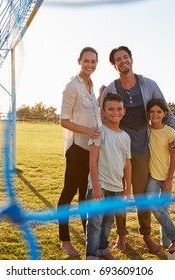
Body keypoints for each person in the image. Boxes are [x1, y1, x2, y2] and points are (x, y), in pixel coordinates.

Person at [99, 46, 175, 254]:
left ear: (131, 59)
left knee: (142, 196)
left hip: (141, 151)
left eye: (125, 57)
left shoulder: (149, 85)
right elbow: (100, 116)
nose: (123, 61)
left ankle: (146, 236)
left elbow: (167, 113)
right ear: (114, 65)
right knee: (118, 195)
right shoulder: (111, 87)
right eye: (118, 59)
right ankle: (121, 236)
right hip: (116, 151)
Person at [58, 47, 102, 257]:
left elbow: (92, 114)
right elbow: (63, 121)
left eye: (93, 62)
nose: (90, 65)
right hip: (76, 148)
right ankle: (65, 240)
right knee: (68, 192)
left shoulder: (91, 86)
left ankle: (87, 234)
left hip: (91, 150)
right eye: (86, 61)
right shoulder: (71, 86)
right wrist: (86, 131)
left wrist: (100, 97)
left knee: (85, 195)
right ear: (79, 61)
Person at [86, 93, 131, 260]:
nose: (115, 112)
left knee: (107, 222)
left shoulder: (125, 137)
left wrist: (128, 187)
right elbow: (92, 160)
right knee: (95, 222)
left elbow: (127, 163)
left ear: (124, 111)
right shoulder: (99, 132)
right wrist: (96, 186)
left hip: (116, 187)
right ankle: (91, 255)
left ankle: (103, 250)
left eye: (119, 109)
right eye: (111, 109)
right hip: (100, 186)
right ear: (103, 111)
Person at [146, 98, 175, 253]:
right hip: (152, 177)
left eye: (158, 112)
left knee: (165, 208)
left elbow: (173, 157)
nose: (155, 115)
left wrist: (169, 179)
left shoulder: (170, 132)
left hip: (166, 177)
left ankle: (166, 242)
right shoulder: (146, 130)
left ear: (164, 114)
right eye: (151, 111)